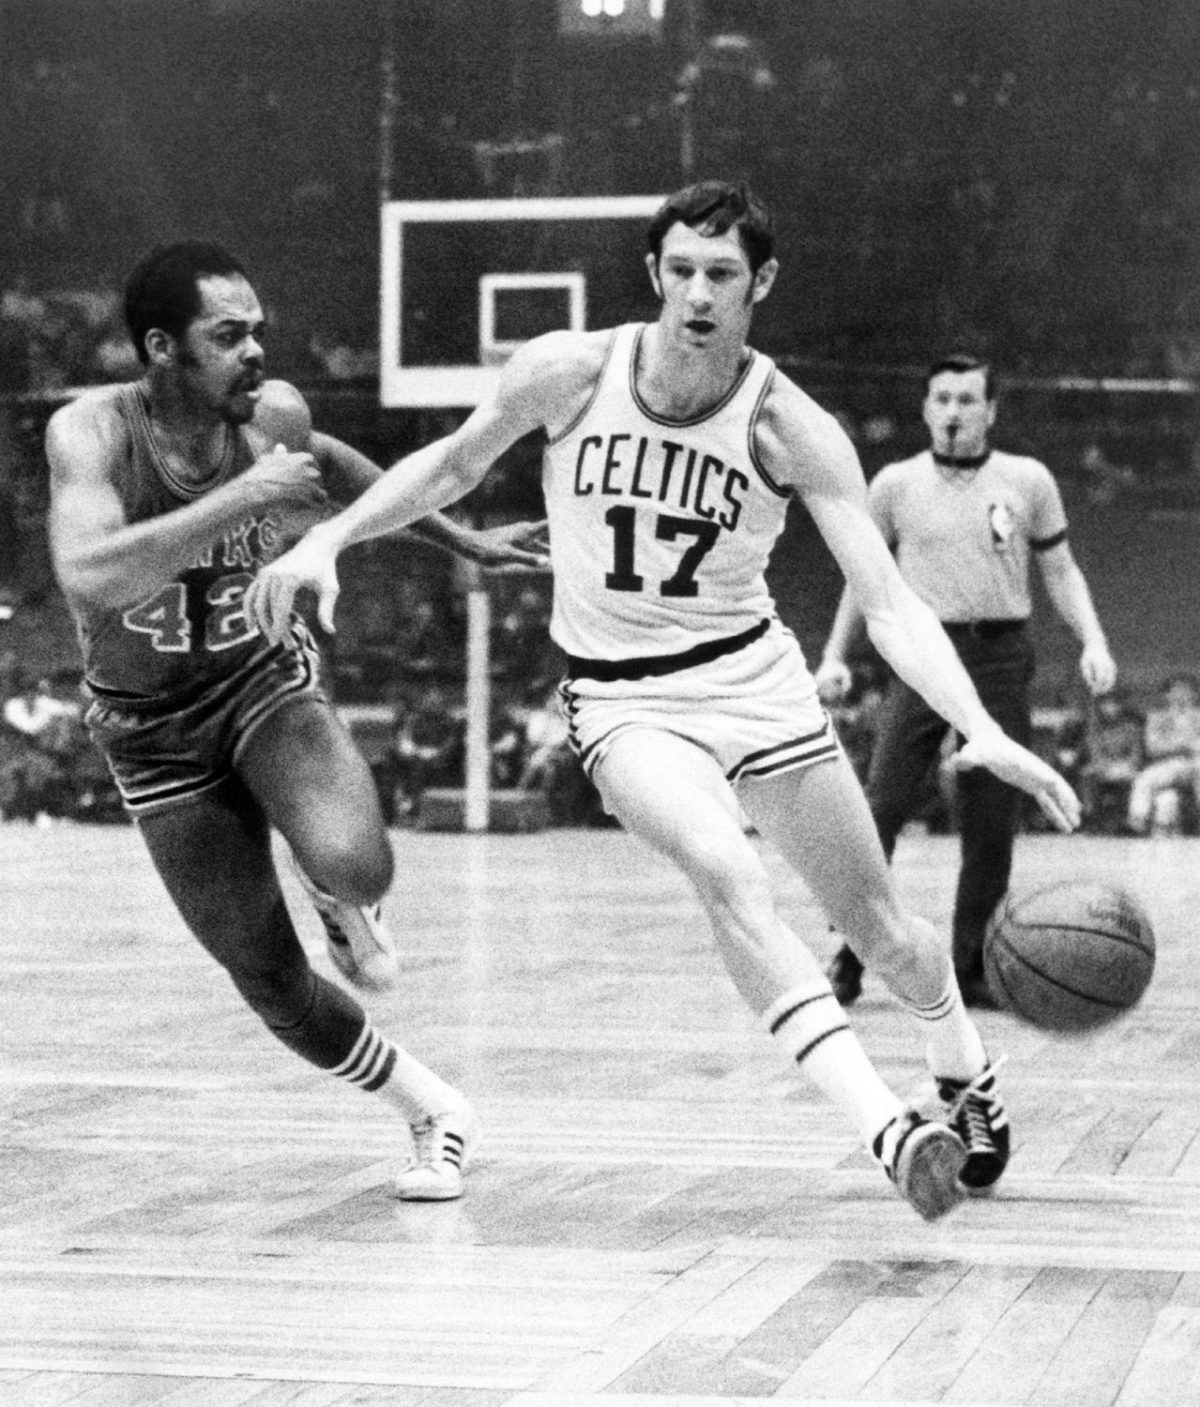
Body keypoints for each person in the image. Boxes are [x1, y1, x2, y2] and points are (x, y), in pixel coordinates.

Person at [246, 181, 1082, 1222]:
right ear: (653, 274)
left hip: (753, 678)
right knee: (724, 865)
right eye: (680, 269)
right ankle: (890, 1129)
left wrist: (985, 728)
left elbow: (891, 606)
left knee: (886, 933)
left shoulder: (792, 426)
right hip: (621, 697)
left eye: (721, 274)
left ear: (760, 284)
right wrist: (331, 535)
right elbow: (450, 467)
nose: (697, 292)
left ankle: (965, 1076)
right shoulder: (567, 370)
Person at [44, 240, 548, 1201]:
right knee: (269, 980)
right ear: (161, 348)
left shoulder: (271, 417)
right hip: (148, 729)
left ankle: (337, 890)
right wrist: (242, 497)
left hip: (259, 676)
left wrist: (460, 538)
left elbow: (337, 466)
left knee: (362, 862)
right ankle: (434, 1107)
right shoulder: (89, 435)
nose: (256, 351)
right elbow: (91, 573)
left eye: (258, 331)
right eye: (227, 335)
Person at [815, 353, 1116, 1009]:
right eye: (942, 398)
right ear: (925, 408)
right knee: (881, 806)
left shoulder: (1028, 479)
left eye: (967, 399)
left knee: (990, 820)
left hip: (1001, 654)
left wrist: (1093, 638)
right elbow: (862, 580)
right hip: (920, 655)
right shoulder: (893, 484)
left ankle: (972, 963)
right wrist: (836, 654)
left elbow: (1061, 570)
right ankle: (852, 951)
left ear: (991, 410)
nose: (953, 410)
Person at [1127, 673, 1200, 835]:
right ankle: (1137, 823)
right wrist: (1183, 745)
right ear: (1167, 694)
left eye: (1186, 690)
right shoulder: (1157, 717)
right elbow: (1153, 747)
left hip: (1195, 765)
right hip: (1168, 765)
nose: (1181, 694)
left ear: (1194, 694)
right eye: (1175, 690)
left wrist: (1183, 745)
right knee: (1164, 798)